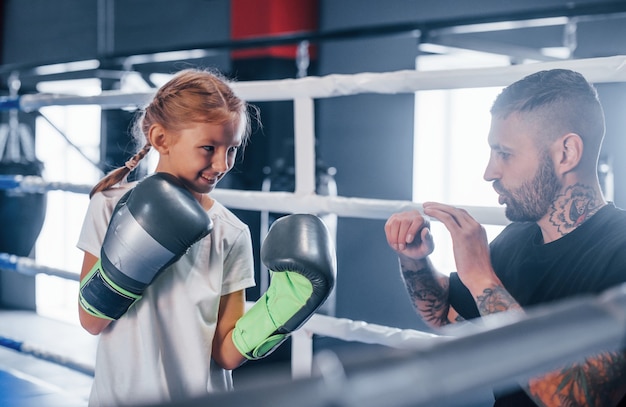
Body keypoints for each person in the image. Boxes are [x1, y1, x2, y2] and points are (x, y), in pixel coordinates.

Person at [77, 68, 335, 407]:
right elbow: (91, 320)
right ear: (159, 139)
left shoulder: (230, 232)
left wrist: (283, 308)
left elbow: (226, 353)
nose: (222, 163)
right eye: (208, 147)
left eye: (231, 149)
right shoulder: (110, 206)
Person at [385, 69, 626, 406]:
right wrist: (415, 259)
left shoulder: (620, 250)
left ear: (566, 153)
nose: (489, 172)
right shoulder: (516, 238)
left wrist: (481, 277)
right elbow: (446, 317)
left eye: (505, 154)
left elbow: (580, 398)